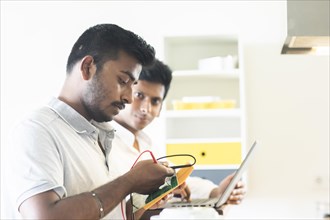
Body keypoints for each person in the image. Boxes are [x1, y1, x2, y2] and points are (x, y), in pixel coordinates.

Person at [3, 24, 175, 220]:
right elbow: (44, 217)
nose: (128, 98)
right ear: (87, 68)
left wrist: (146, 205)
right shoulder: (36, 129)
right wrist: (129, 182)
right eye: (123, 81)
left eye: (132, 85)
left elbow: (108, 214)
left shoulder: (108, 136)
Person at [108, 59, 246, 218]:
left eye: (155, 101)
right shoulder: (103, 141)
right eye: (139, 95)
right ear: (125, 95)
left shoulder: (146, 144)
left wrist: (216, 191)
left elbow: (177, 177)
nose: (145, 108)